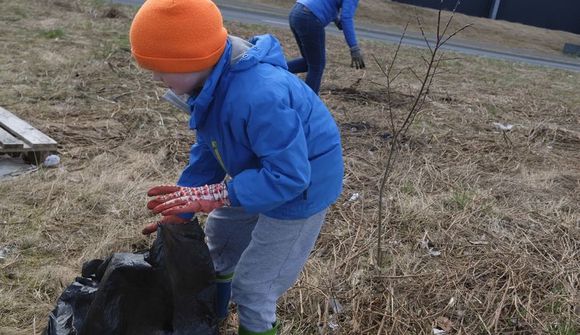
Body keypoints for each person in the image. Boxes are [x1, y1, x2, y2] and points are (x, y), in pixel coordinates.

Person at [129, 0, 344, 334]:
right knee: (217, 248)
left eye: (162, 67)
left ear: (194, 58)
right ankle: (207, 322)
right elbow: (208, 150)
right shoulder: (210, 87)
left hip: (301, 191)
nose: (156, 77)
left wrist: (220, 194)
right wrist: (183, 206)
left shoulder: (260, 96)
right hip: (258, 175)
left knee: (255, 286)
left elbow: (289, 177)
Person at [287, 0, 365, 94]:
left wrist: (336, 19)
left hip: (296, 12)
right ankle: (309, 104)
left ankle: (271, 69)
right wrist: (354, 47)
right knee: (317, 66)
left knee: (308, 62)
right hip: (309, 17)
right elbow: (346, 18)